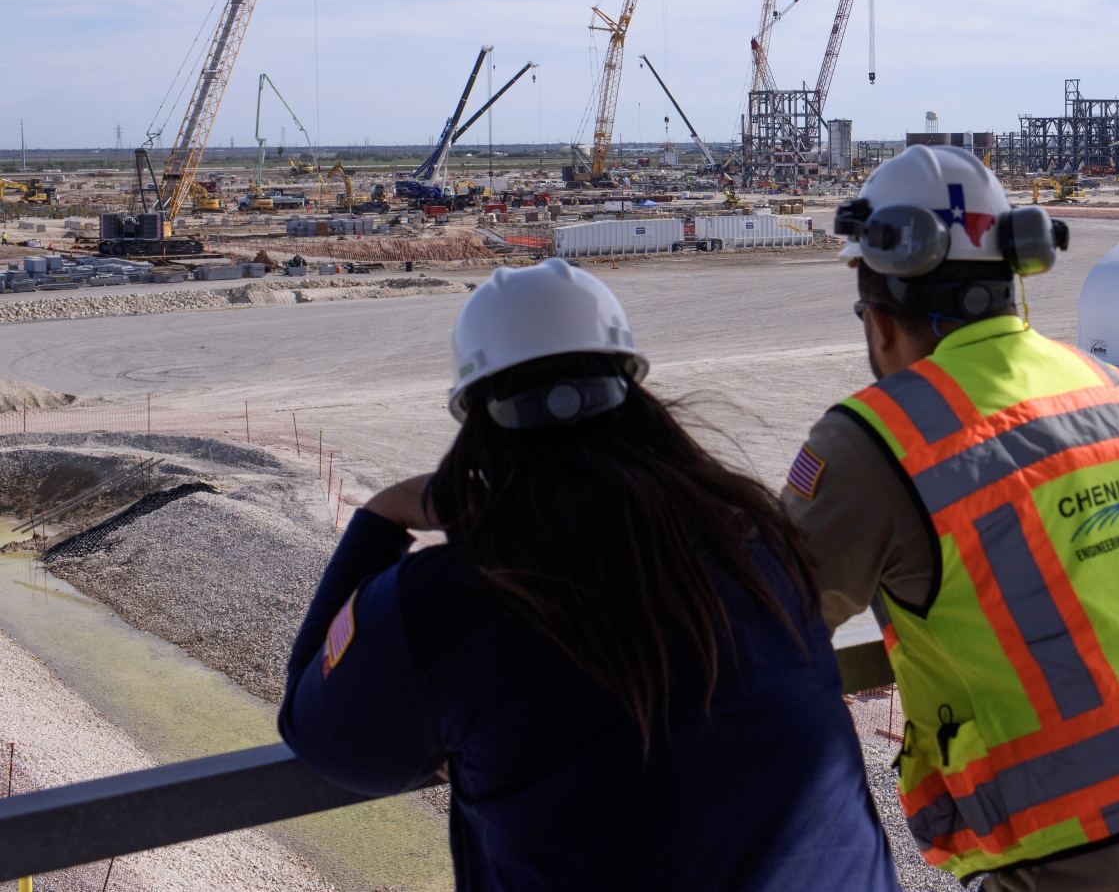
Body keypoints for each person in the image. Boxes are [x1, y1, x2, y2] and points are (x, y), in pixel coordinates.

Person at [784, 146, 1119, 892]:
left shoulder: (871, 438)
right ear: (1017, 286)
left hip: (1112, 850)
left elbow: (757, 629)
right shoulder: (1098, 383)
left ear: (880, 321)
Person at [280, 257, 896, 891]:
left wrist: (381, 518)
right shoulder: (754, 541)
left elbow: (317, 732)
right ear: (634, 396)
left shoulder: (450, 602)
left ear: (478, 424)